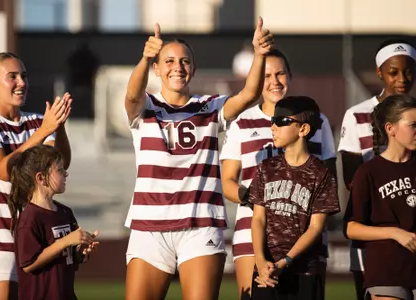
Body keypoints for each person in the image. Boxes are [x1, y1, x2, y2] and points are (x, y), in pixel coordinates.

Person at [123, 17, 274, 300]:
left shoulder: (210, 106)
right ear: (156, 69)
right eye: (168, 61)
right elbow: (131, 95)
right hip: (149, 228)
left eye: (184, 61)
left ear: (193, 68)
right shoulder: (146, 107)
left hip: (200, 225)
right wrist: (144, 58)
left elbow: (249, 94)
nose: (177, 67)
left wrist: (259, 54)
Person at [220, 49, 337, 299]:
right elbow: (228, 182)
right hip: (253, 231)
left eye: (280, 73)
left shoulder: (318, 120)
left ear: (290, 76)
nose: (274, 81)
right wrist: (263, 202)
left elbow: (329, 180)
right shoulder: (242, 122)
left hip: (306, 236)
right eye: (266, 75)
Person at [0, 52, 72, 300]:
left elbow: (60, 165)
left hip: (40, 241)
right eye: (12, 76)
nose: (21, 82)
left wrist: (60, 128)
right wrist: (44, 131)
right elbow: (4, 170)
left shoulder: (37, 122)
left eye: (23, 76)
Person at [339, 39, 416, 300]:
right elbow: (352, 178)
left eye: (408, 71)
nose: (402, 79)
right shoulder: (357, 114)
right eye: (393, 72)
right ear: (379, 73)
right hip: (375, 241)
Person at [249, 96, 340, 300]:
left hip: (304, 272)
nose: (273, 126)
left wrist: (286, 262)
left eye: (282, 121)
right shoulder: (266, 168)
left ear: (303, 130)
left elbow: (316, 227)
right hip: (266, 272)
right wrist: (261, 261)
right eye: (273, 121)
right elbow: (258, 219)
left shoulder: (321, 173)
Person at [9, 145, 98, 300]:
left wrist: (80, 253)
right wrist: (65, 241)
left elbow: (67, 259)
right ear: (41, 178)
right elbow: (29, 264)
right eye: (60, 170)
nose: (66, 174)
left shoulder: (65, 212)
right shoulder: (30, 217)